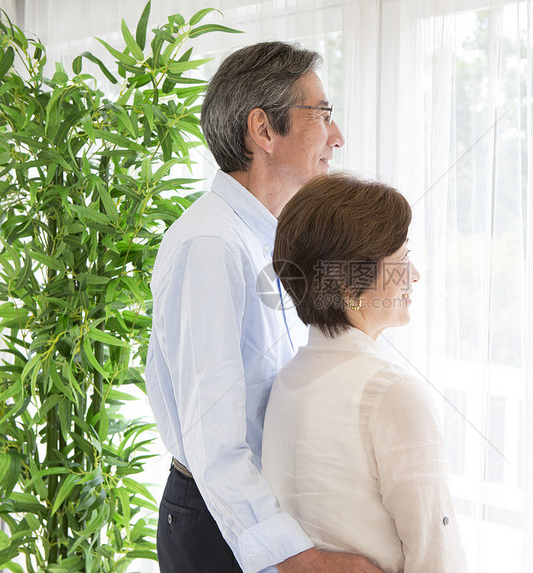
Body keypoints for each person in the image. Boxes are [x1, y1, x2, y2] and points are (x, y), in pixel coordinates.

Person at [146, 42, 385, 573]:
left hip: (255, 510)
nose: (337, 136)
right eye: (323, 116)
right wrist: (300, 558)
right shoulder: (211, 245)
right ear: (263, 130)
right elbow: (217, 441)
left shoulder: (266, 237)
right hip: (219, 525)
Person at [263, 174, 467, 572]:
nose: (415, 276)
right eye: (402, 260)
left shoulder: (287, 380)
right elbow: (435, 556)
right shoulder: (389, 392)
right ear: (350, 284)